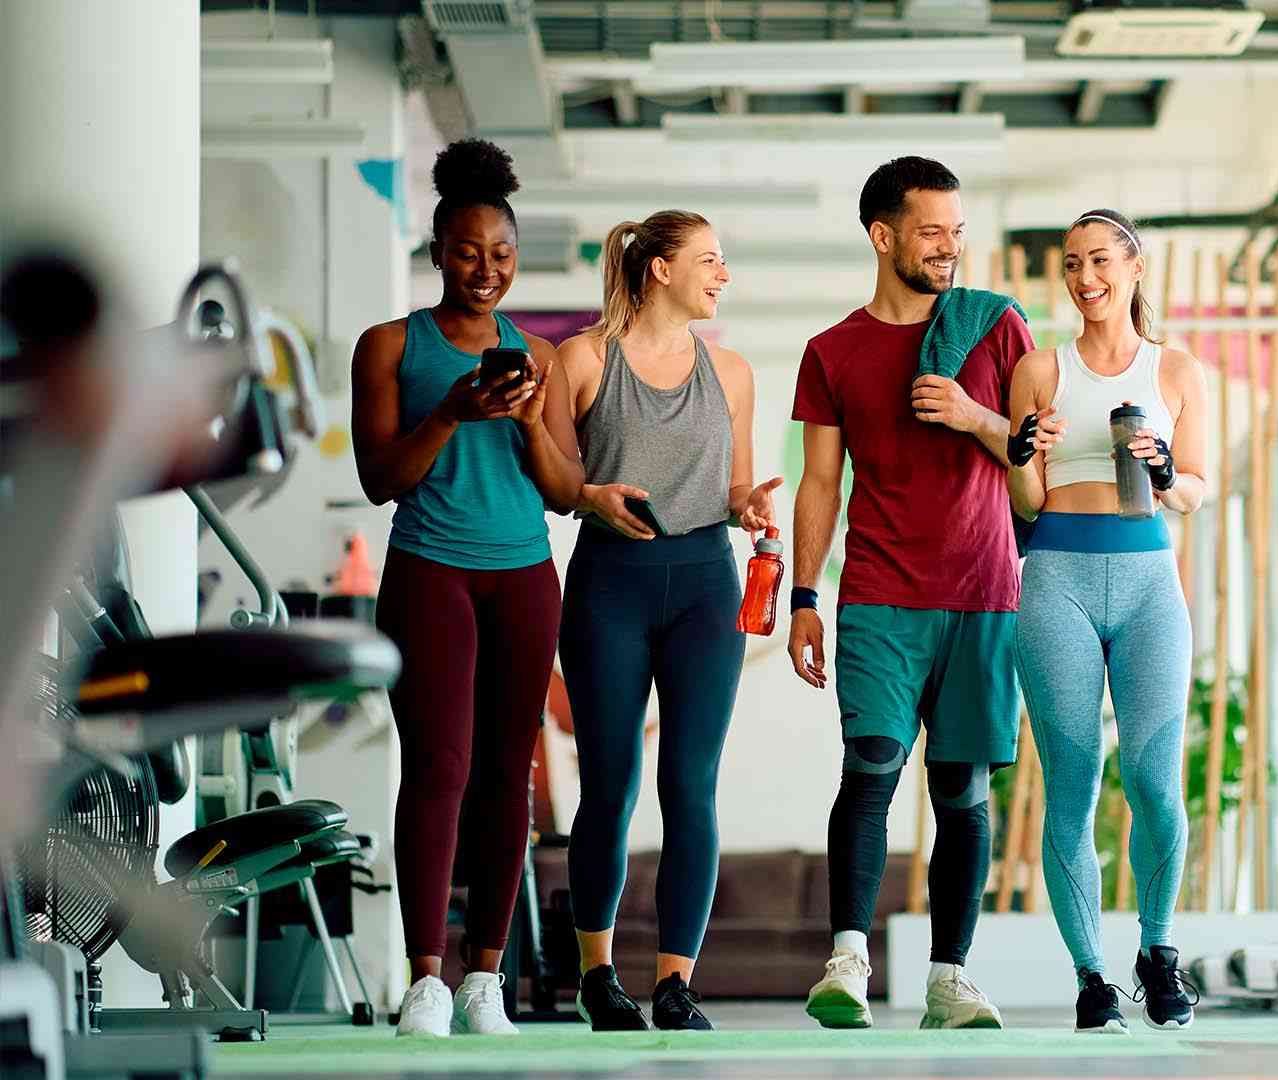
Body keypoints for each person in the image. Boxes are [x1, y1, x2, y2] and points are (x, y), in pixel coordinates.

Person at [788, 156, 1033, 1030]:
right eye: (932, 232)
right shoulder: (832, 353)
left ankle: (949, 977)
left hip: (983, 593)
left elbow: (1035, 453)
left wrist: (973, 415)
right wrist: (804, 598)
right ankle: (847, 960)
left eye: (958, 232)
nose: (949, 249)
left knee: (963, 788)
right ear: (882, 235)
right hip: (880, 595)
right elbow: (820, 484)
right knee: (874, 766)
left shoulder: (997, 328)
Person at [350, 139, 584, 1038]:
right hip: (430, 572)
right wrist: (450, 408)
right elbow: (382, 478)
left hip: (524, 575)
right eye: (465, 252)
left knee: (506, 777)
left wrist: (526, 421)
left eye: (501, 255)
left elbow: (564, 492)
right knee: (440, 768)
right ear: (438, 252)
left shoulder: (543, 356)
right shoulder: (389, 346)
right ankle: (425, 980)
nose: (484, 271)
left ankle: (486, 974)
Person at [551, 212, 781, 1032]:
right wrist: (586, 496)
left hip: (704, 585)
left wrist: (749, 509)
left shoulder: (734, 373)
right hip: (609, 582)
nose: (724, 275)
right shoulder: (582, 361)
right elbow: (553, 478)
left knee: (690, 785)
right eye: (710, 260)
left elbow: (734, 488)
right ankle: (598, 975)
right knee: (609, 785)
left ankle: (678, 982)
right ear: (658, 270)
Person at [1003, 208, 1209, 1034]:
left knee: (1157, 783)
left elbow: (1198, 488)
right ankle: (1091, 976)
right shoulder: (1037, 370)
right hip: (1056, 576)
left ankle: (1158, 954)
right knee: (1074, 786)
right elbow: (1025, 500)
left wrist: (1164, 471)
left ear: (1133, 268)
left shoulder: (1179, 370)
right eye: (1071, 264)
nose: (1084, 277)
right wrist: (1020, 454)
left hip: (1151, 579)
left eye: (1099, 261)